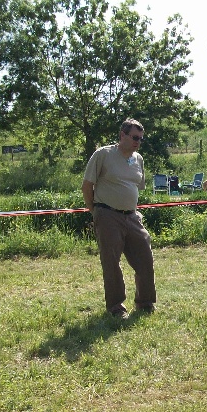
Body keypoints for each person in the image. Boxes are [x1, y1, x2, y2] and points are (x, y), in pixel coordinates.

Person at [82, 118, 157, 319]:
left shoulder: (138, 159)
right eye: (134, 137)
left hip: (132, 216)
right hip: (107, 215)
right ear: (122, 135)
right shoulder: (103, 155)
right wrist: (96, 211)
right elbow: (87, 186)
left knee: (145, 259)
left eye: (140, 139)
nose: (138, 142)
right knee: (111, 263)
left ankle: (145, 302)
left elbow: (135, 187)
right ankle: (116, 306)